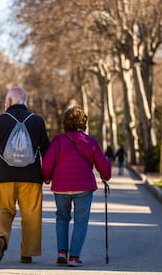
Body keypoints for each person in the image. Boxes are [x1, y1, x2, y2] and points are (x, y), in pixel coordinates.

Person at [0, 86, 50, 264]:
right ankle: (27, 252)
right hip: (32, 177)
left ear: (9, 102)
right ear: (25, 102)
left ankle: (1, 237)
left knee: (3, 210)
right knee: (31, 214)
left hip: (4, 175)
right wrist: (48, 174)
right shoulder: (37, 121)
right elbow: (46, 150)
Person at [42, 105, 111, 267]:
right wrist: (105, 177)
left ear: (66, 123)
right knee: (81, 220)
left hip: (61, 186)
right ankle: (74, 257)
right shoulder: (91, 142)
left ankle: (61, 252)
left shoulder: (58, 140)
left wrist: (46, 177)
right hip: (84, 187)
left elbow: (47, 163)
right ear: (84, 123)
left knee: (62, 217)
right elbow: (104, 166)